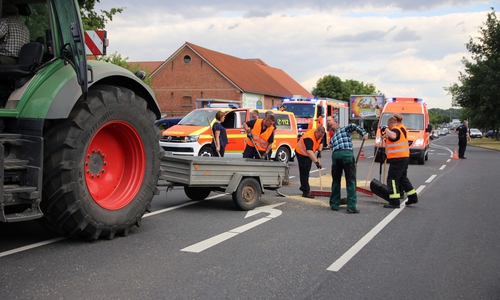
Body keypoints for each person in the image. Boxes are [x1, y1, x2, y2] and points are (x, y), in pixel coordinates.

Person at [329, 123, 367, 213]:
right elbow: (353, 125)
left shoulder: (332, 139)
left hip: (336, 156)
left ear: (333, 131)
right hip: (347, 154)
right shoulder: (344, 130)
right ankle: (351, 206)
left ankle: (334, 204)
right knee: (351, 180)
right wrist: (364, 133)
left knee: (336, 180)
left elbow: (332, 150)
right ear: (339, 128)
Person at [381, 116, 418, 208]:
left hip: (398, 158)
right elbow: (393, 138)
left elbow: (393, 135)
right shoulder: (400, 128)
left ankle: (394, 201)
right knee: (402, 178)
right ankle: (413, 197)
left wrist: (385, 129)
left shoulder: (396, 129)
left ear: (390, 124)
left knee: (392, 180)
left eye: (388, 126)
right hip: (404, 157)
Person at [295, 126, 325, 198]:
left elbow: (321, 142)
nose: (319, 137)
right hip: (301, 154)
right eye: (319, 136)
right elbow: (309, 152)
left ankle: (303, 187)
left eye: (321, 136)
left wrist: (319, 151)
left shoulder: (320, 134)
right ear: (316, 132)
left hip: (308, 154)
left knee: (307, 171)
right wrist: (317, 163)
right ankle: (305, 191)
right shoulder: (309, 138)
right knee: (304, 172)